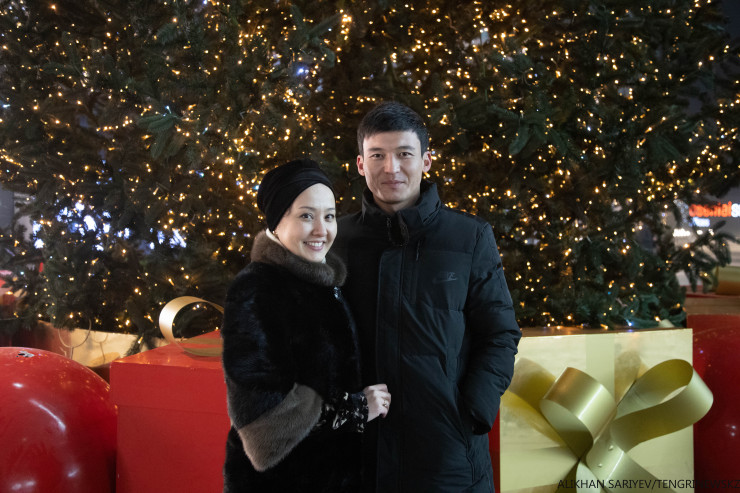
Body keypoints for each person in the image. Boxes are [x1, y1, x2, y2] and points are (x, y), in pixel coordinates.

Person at [333, 102, 522, 492]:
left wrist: (470, 412)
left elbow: (499, 334)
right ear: (360, 165)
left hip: (446, 452)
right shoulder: (336, 241)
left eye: (404, 154)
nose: (391, 168)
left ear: (426, 161)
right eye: (377, 156)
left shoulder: (469, 237)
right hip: (356, 450)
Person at [220, 158, 392, 493]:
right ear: (277, 221)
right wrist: (356, 409)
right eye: (306, 216)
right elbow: (264, 424)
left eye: (329, 216)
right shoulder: (258, 289)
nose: (321, 230)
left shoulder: (323, 282)